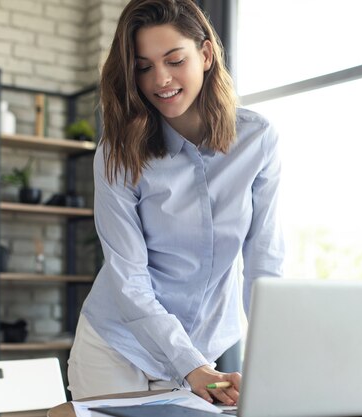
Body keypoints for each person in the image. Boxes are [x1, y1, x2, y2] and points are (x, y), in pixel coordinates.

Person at [67, 0, 284, 406]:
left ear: (204, 54)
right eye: (144, 66)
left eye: (173, 60)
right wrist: (191, 366)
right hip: (117, 348)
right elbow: (128, 278)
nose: (160, 79)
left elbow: (264, 261)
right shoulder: (117, 154)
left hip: (203, 348)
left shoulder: (258, 139)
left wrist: (278, 356)